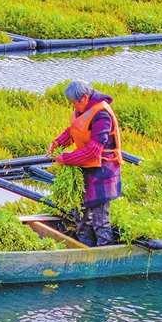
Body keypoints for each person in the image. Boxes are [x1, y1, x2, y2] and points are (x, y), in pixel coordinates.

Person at [47, 80, 124, 247]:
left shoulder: (102, 115)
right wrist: (58, 143)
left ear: (85, 97)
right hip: (86, 167)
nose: (73, 105)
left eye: (74, 102)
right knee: (81, 215)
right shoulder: (83, 109)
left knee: (100, 219)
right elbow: (75, 129)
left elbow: (92, 152)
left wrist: (65, 158)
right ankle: (84, 246)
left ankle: (104, 252)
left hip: (103, 171)